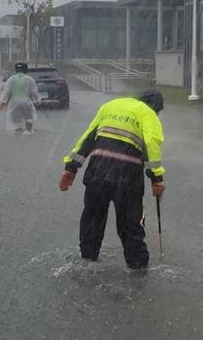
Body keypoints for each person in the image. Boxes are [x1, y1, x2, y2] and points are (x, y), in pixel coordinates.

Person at [58, 88, 166, 270]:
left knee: (92, 219)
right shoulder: (148, 114)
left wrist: (71, 167)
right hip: (128, 178)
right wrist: (157, 178)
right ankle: (137, 268)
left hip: (97, 173)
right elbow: (151, 144)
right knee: (130, 224)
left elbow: (88, 138)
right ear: (156, 107)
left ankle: (87, 260)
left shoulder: (110, 106)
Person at [0, 62, 41, 134]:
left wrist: (2, 102)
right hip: (26, 102)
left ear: (16, 70)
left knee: (14, 119)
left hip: (14, 102)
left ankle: (17, 131)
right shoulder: (29, 79)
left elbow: (6, 91)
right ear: (25, 70)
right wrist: (38, 100)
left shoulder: (11, 79)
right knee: (29, 117)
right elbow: (34, 92)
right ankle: (28, 131)